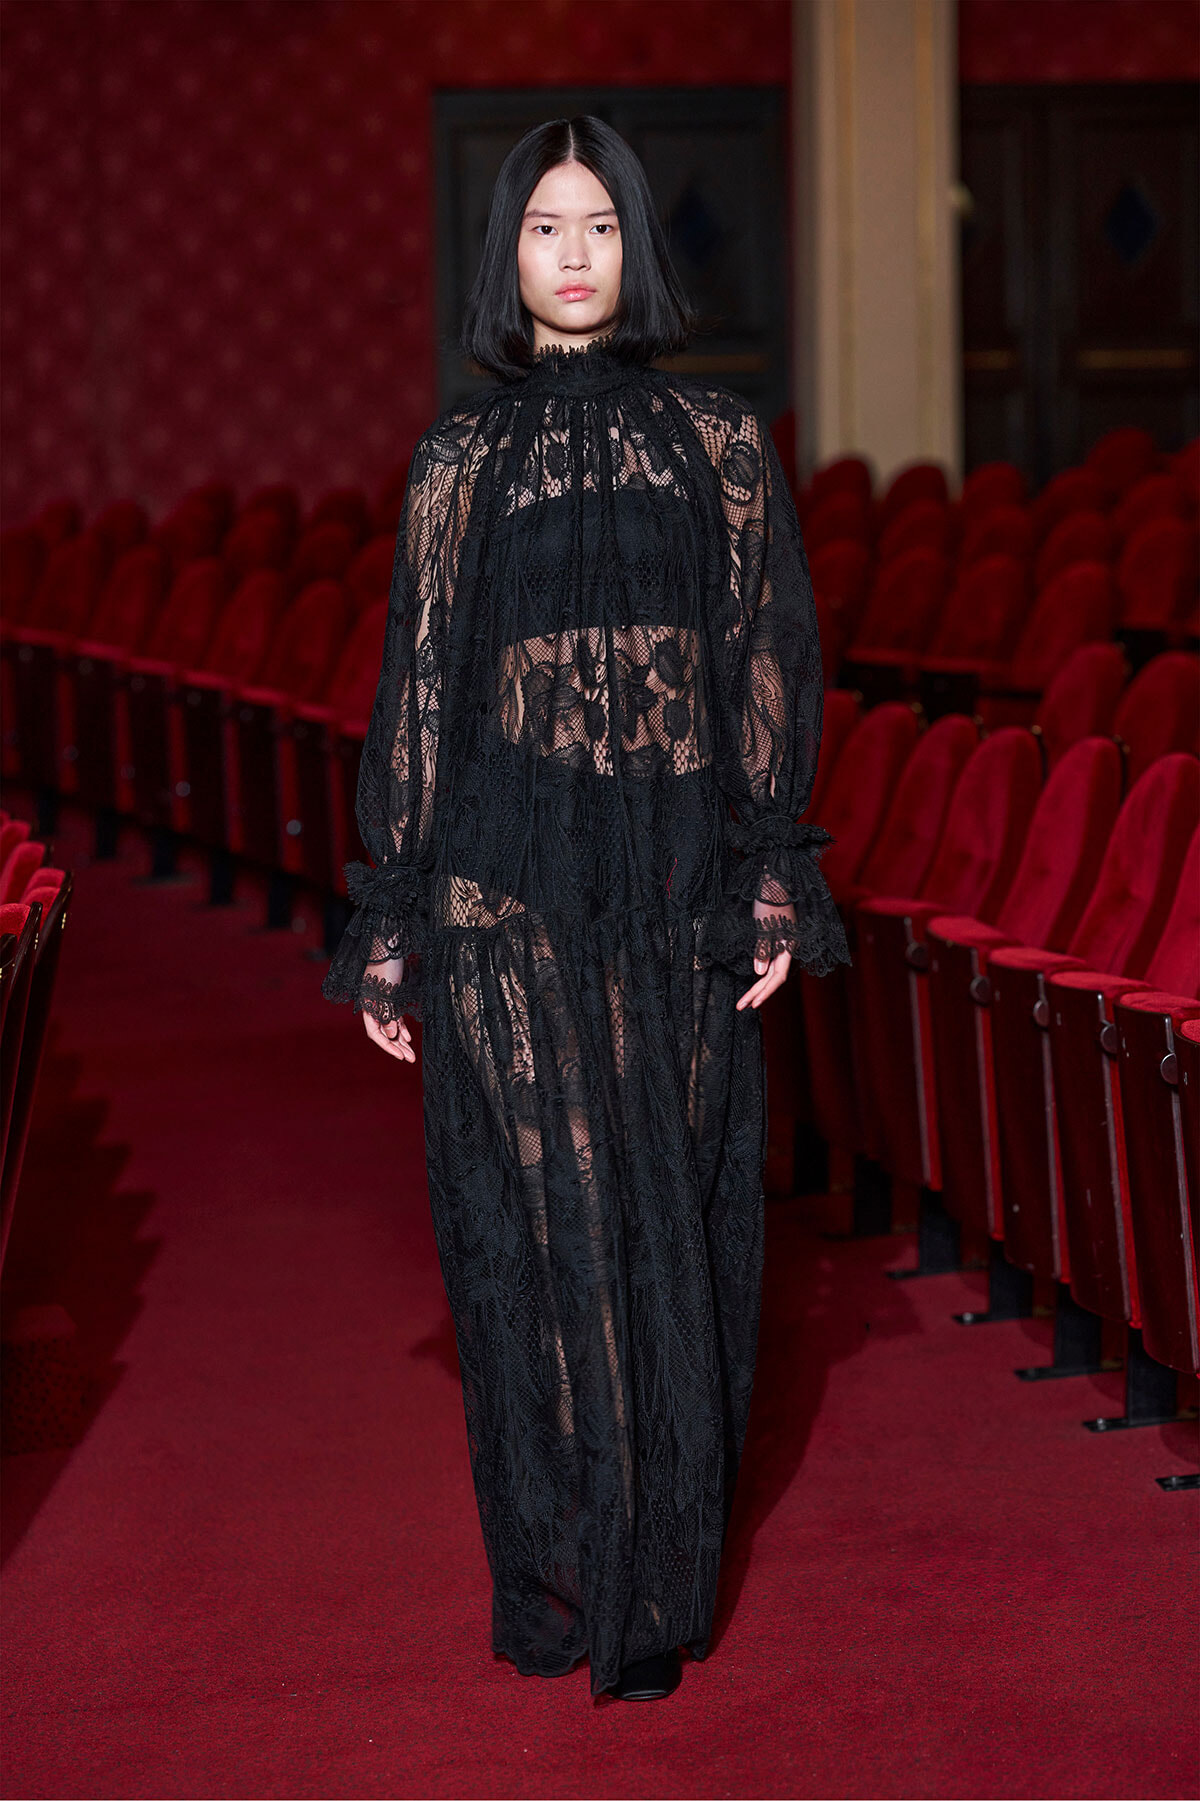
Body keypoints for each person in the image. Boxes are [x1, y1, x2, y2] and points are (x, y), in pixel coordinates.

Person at [322, 114, 851, 1703]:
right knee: (549, 1244)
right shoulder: (457, 465)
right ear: (509, 257)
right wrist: (398, 911)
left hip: (676, 885)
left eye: (601, 225)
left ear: (635, 249)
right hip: (507, 892)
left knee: (672, 1232)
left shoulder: (720, 446)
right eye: (547, 226)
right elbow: (421, 690)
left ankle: (660, 1576)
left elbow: (765, 659)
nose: (572, 252)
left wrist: (768, 876)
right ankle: (569, 1579)